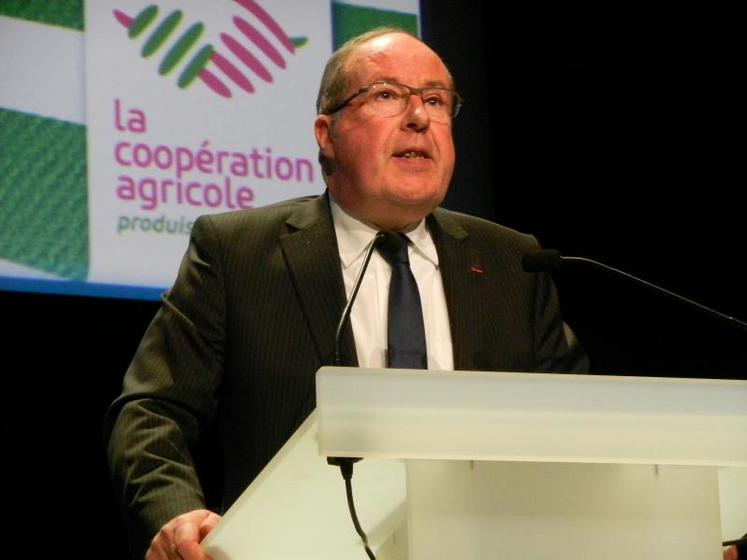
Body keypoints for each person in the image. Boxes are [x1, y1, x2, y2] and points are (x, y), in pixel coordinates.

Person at [104, 27, 589, 560]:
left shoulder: (510, 261)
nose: (419, 117)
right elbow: (152, 411)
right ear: (327, 133)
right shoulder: (238, 253)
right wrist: (174, 514)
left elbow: (576, 423)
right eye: (387, 95)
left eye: (435, 100)